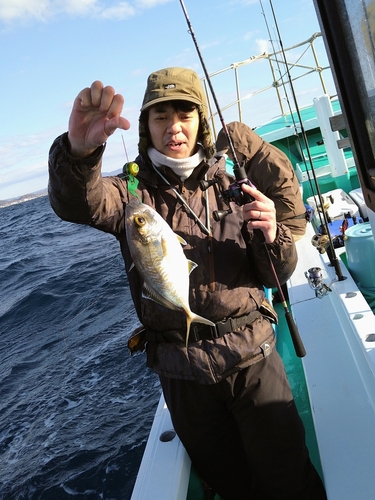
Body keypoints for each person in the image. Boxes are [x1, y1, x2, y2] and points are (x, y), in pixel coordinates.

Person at [48, 67, 326, 499]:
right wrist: (78, 156)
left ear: (200, 122)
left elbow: (277, 273)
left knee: (289, 479)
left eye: (184, 114)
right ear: (146, 126)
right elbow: (78, 203)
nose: (173, 127)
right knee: (231, 484)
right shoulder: (130, 193)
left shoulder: (235, 180)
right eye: (161, 117)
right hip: (182, 374)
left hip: (251, 357)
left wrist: (275, 235)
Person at [215, 121, 308, 240]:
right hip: (276, 223)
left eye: (231, 153)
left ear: (241, 147)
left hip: (289, 227)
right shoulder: (254, 159)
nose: (231, 157)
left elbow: (288, 203)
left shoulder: (270, 161)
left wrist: (250, 208)